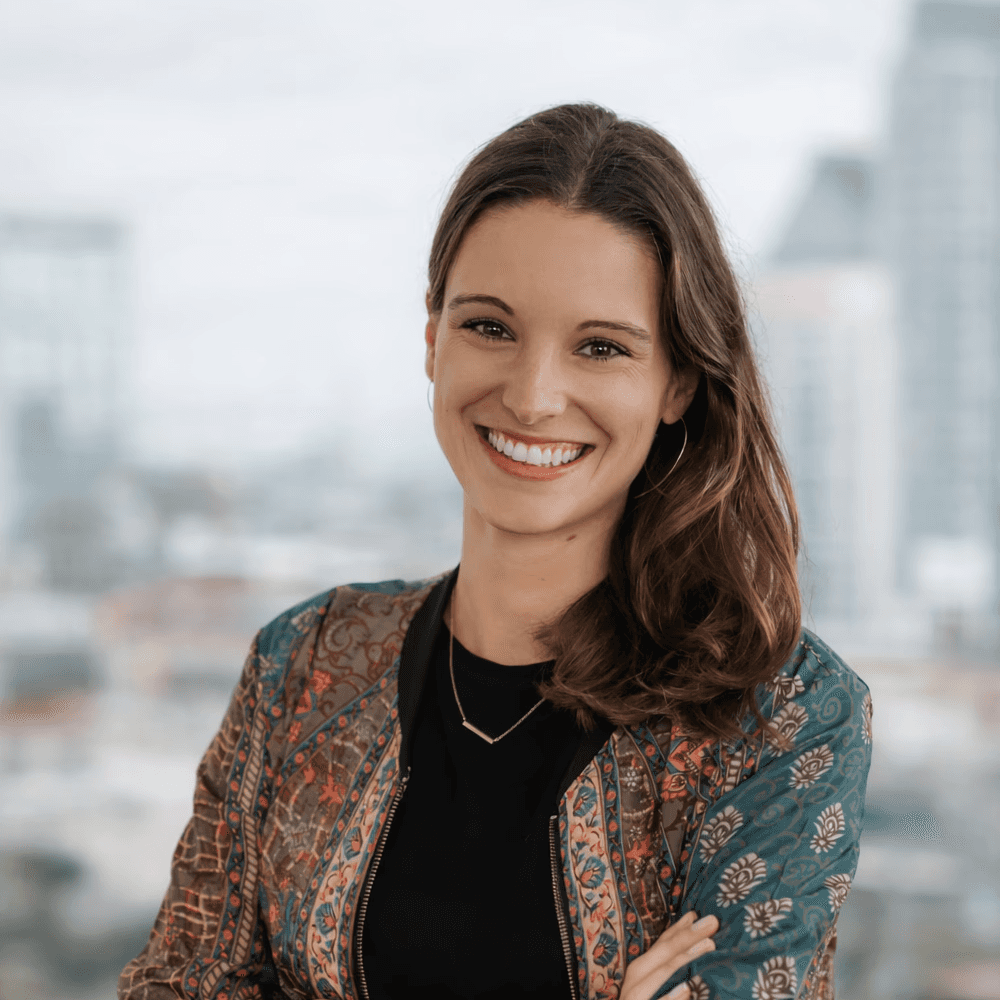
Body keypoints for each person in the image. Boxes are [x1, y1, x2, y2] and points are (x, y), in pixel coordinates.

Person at [119, 103, 872, 1000]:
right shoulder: (303, 663)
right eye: (490, 327)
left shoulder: (781, 718)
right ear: (432, 336)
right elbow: (173, 984)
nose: (533, 395)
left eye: (600, 347)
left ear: (676, 381)